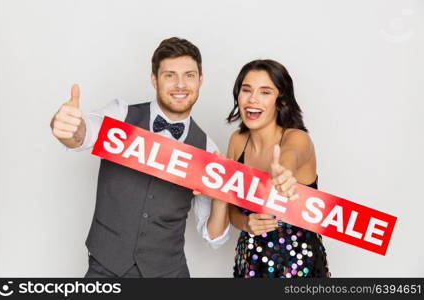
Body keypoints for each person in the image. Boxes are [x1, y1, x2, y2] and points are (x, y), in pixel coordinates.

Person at [50, 37, 230, 278]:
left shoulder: (207, 150)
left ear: (200, 80)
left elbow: (214, 237)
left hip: (169, 273)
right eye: (169, 75)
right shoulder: (121, 114)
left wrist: (220, 197)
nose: (180, 84)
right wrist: (67, 128)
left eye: (189, 75)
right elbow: (84, 134)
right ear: (154, 79)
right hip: (106, 268)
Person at [226, 59, 330, 278]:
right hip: (249, 265)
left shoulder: (298, 138)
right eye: (246, 90)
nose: (252, 99)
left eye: (265, 92)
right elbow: (231, 210)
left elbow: (290, 155)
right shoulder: (237, 141)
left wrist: (284, 172)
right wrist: (246, 223)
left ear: (281, 101)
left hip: (299, 268)